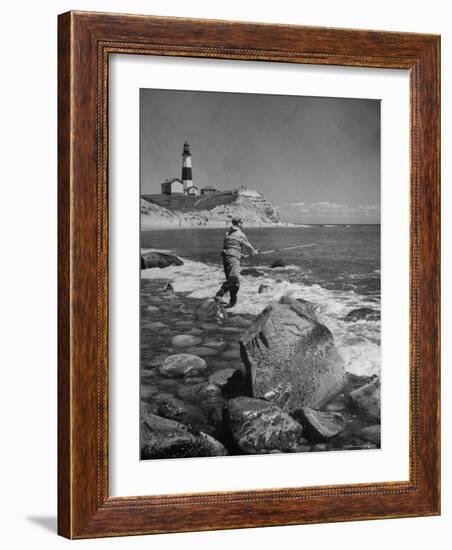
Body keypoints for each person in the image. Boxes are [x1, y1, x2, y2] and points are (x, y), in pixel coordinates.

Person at [215, 217, 259, 308]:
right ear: (238, 223)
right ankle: (219, 295)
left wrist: (240, 255)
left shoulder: (227, 234)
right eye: (242, 222)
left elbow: (229, 246)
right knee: (234, 279)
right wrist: (254, 253)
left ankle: (232, 303)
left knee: (234, 283)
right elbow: (249, 248)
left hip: (226, 257)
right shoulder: (240, 234)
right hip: (232, 257)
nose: (242, 224)